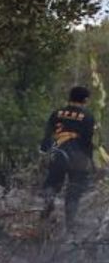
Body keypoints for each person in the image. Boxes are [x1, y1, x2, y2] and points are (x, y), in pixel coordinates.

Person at [40, 86, 96, 232]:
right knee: (74, 190)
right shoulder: (88, 116)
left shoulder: (56, 113)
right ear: (85, 100)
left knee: (52, 182)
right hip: (77, 157)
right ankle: (70, 224)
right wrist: (91, 162)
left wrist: (44, 151)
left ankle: (48, 201)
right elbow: (88, 142)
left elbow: (47, 136)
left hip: (58, 153)